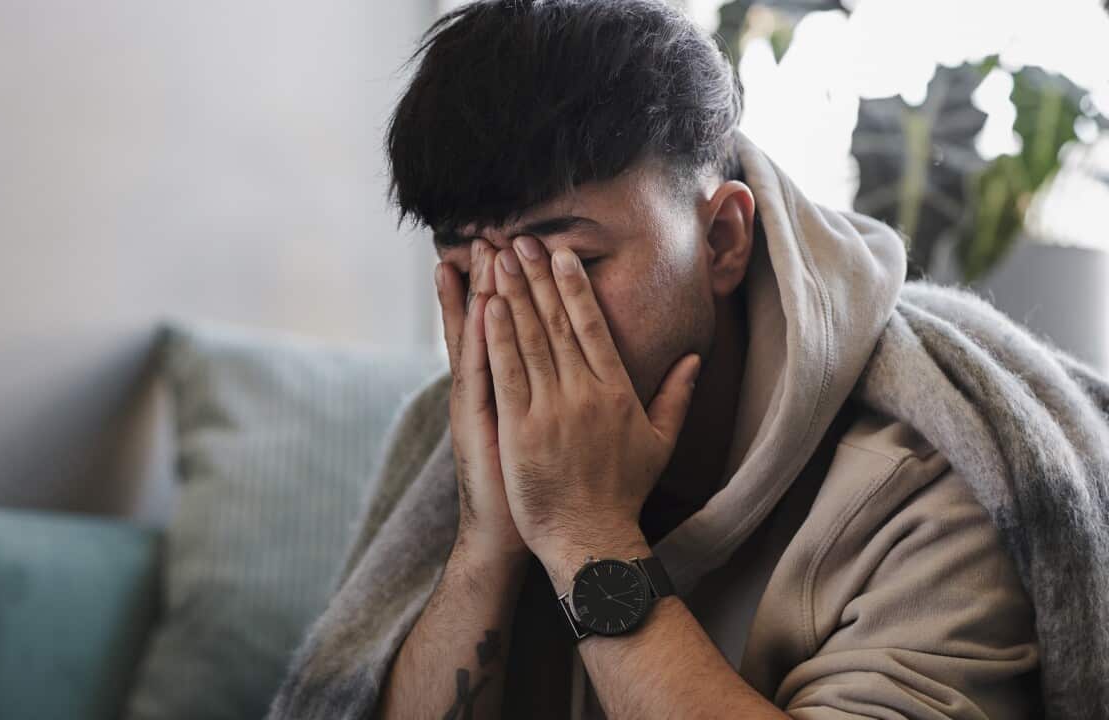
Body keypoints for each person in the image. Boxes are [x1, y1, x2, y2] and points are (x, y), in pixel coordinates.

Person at [272, 1, 1050, 717]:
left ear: (721, 241)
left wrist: (586, 535)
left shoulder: (935, 478)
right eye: (471, 274)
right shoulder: (451, 442)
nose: (509, 323)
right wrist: (487, 541)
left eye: (568, 263)